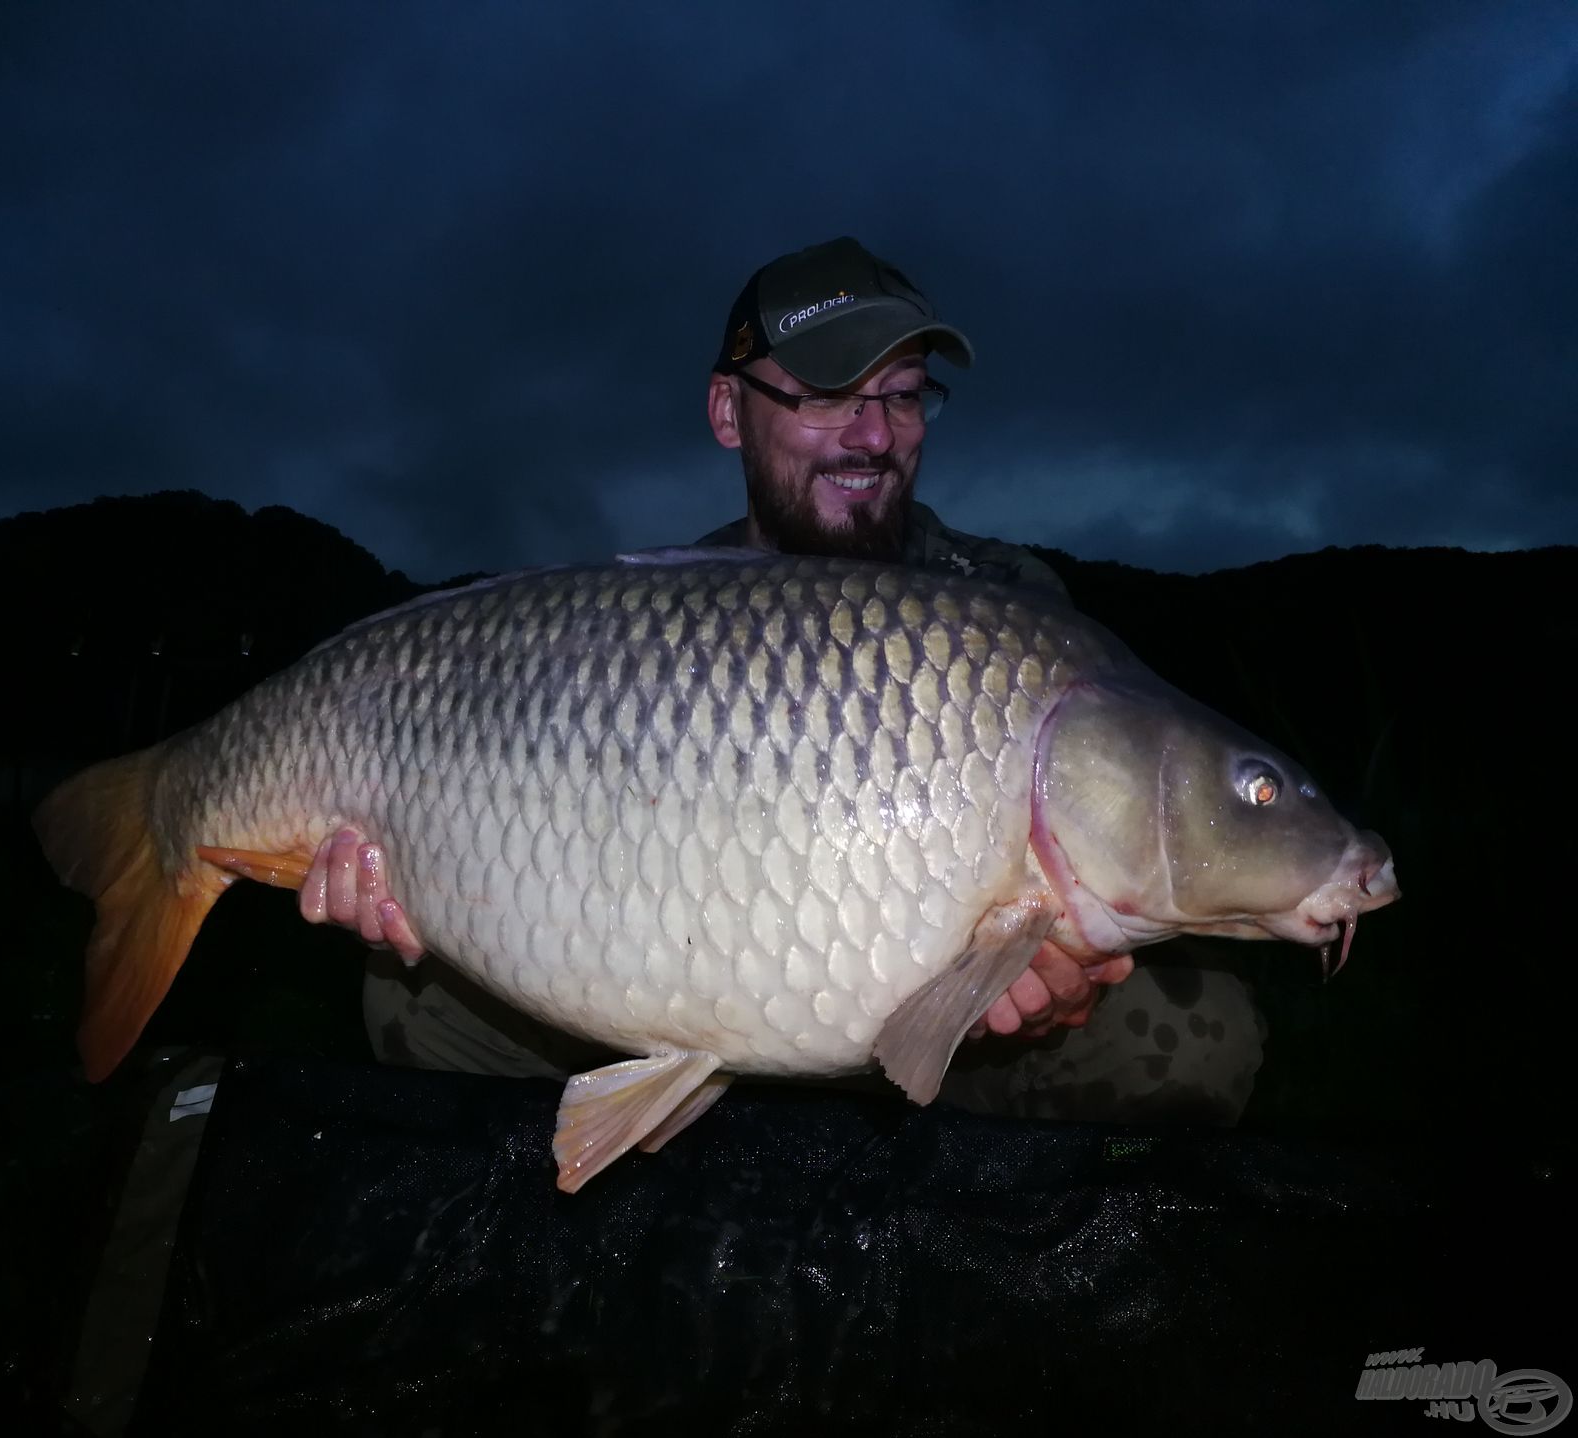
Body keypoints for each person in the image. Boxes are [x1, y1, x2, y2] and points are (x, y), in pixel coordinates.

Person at [301, 236, 1267, 1126]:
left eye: (902, 394)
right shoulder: (646, 621)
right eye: (826, 394)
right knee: (406, 1004)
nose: (874, 434)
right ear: (730, 412)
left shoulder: (1011, 606)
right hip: (650, 995)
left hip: (949, 1038)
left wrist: (1055, 993)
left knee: (1199, 1039)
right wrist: (414, 882)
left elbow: (1081, 915)